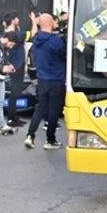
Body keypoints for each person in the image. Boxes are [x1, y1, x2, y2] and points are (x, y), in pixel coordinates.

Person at [25, 13, 67, 150]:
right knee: (54, 110)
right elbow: (64, 54)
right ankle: (50, 139)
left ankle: (30, 135)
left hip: (42, 79)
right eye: (54, 21)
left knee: (40, 107)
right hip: (56, 79)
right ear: (49, 23)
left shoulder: (37, 40)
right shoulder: (56, 41)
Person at [0, 31, 26, 131]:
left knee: (17, 92)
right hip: (14, 68)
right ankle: (11, 118)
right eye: (10, 44)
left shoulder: (19, 37)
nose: (11, 46)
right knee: (14, 93)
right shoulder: (3, 44)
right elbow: (5, 57)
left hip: (19, 67)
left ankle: (15, 117)